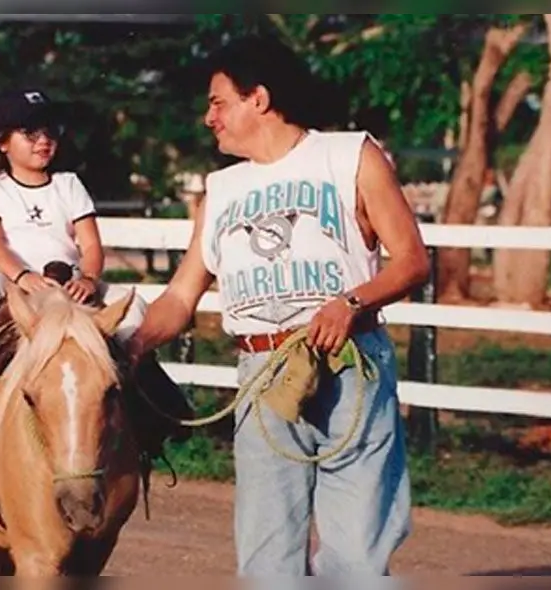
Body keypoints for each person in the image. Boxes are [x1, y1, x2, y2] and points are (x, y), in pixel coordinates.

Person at [124, 36, 431, 576]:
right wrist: (132, 346)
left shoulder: (351, 155)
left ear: (258, 98)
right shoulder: (219, 190)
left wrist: (350, 303)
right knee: (268, 555)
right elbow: (180, 295)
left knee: (357, 553)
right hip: (262, 375)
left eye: (218, 102)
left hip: (349, 364)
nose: (208, 118)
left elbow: (410, 260)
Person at [0, 87, 193, 456]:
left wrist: (88, 277)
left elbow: (90, 244)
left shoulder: (67, 184)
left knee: (132, 307)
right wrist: (21, 276)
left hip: (68, 279)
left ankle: (145, 395)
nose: (43, 141)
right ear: (2, 142)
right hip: (13, 279)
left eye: (49, 132)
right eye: (30, 134)